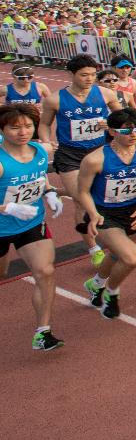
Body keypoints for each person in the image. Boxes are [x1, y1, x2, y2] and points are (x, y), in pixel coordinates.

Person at [78, 107, 136, 320]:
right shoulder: (94, 160)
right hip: (105, 214)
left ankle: (96, 283)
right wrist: (92, 213)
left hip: (133, 211)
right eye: (126, 131)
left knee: (117, 255)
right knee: (131, 257)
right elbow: (83, 192)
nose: (133, 134)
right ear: (113, 132)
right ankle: (111, 293)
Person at [40, 53, 121, 267]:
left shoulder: (105, 94)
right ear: (72, 74)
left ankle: (51, 191)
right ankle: (94, 247)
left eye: (93, 75)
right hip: (70, 155)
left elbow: (123, 118)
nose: (89, 79)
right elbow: (44, 124)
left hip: (99, 152)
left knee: (102, 196)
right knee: (82, 201)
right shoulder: (55, 99)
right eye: (84, 75)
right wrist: (47, 141)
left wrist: (110, 124)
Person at [0, 103, 63, 350]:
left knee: (45, 271)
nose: (23, 132)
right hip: (2, 227)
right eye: (15, 128)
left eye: (28, 126)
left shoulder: (38, 151)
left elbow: (40, 177)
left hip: (31, 223)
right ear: (3, 130)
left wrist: (49, 193)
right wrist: (8, 208)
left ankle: (43, 332)